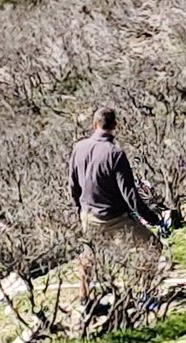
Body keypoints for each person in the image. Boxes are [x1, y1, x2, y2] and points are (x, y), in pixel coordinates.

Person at [69, 106, 169, 253]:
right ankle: (144, 276)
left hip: (88, 216)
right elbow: (130, 195)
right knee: (153, 248)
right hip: (112, 218)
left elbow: (73, 185)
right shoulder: (115, 154)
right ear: (115, 125)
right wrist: (153, 220)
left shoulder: (78, 148)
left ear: (94, 124)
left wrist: (80, 210)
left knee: (93, 257)